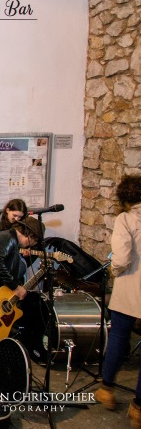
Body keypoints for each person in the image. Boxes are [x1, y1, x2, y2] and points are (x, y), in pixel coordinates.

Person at [95, 174, 141, 423]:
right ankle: (138, 408)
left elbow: (121, 259)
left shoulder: (125, 219)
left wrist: (114, 270)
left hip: (130, 288)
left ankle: (107, 389)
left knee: (119, 338)